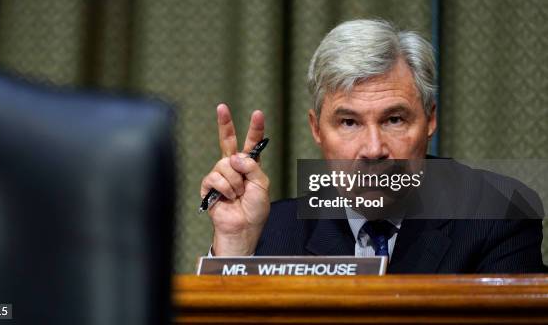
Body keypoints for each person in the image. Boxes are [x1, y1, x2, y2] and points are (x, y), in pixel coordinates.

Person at [200, 19, 545, 273]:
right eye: (349, 122)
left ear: (430, 120)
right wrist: (235, 247)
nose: (373, 149)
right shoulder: (271, 231)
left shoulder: (498, 215)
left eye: (394, 119)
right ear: (316, 129)